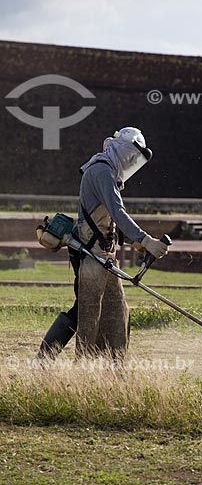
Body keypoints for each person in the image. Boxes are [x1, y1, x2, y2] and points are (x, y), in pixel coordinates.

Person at [37, 127, 169, 362]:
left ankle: (113, 367)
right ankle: (76, 368)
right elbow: (118, 212)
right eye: (131, 156)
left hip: (105, 258)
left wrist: (135, 243)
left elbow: (111, 220)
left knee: (117, 312)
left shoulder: (108, 172)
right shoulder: (101, 171)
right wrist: (145, 240)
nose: (131, 163)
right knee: (87, 316)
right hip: (91, 257)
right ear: (121, 149)